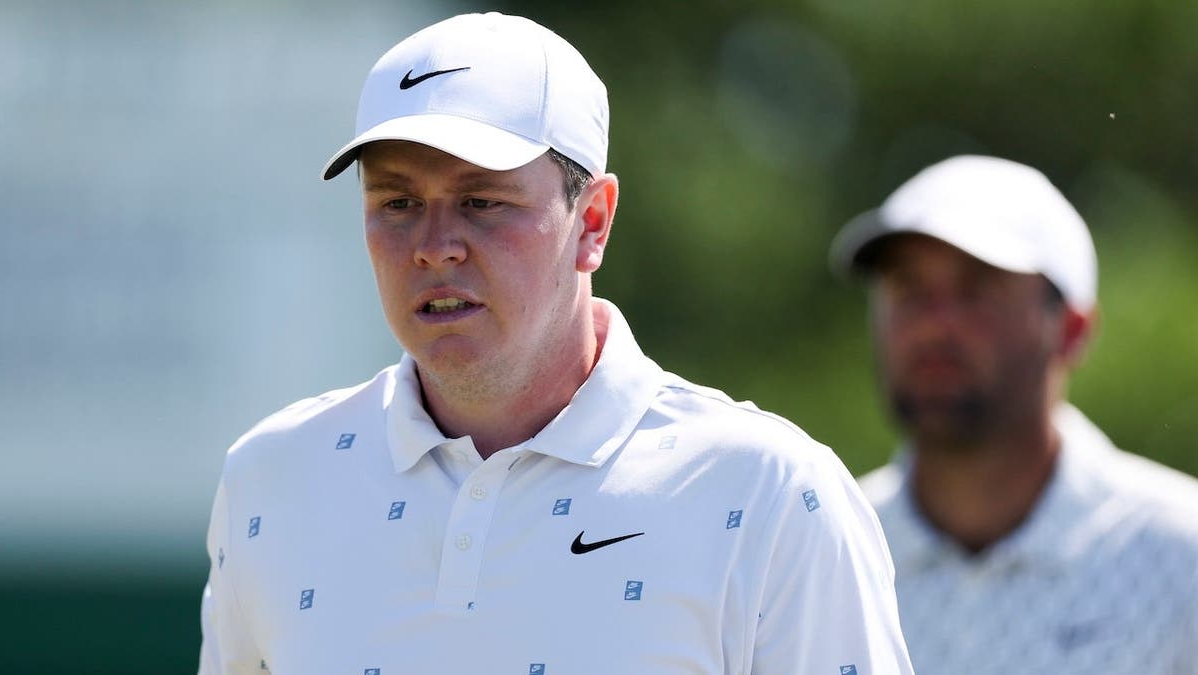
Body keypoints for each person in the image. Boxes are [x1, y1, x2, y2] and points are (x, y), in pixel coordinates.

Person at [197, 12, 913, 675]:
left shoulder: (772, 494)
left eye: (483, 201)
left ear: (593, 221)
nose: (435, 247)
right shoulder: (270, 480)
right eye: (398, 203)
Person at [829, 154, 1198, 675]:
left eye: (977, 290)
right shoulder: (820, 550)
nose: (932, 327)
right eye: (907, 289)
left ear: (1071, 330)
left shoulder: (1184, 561)